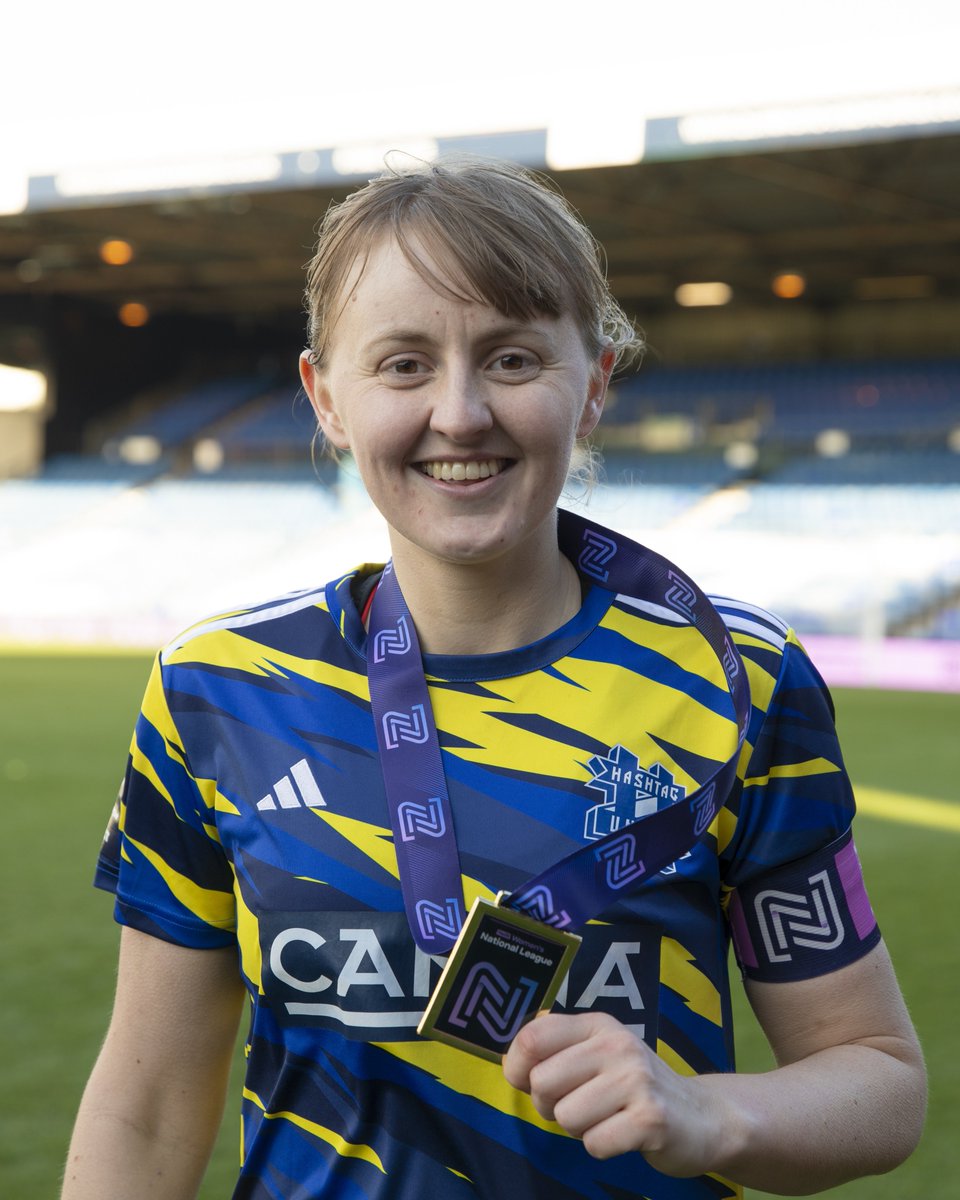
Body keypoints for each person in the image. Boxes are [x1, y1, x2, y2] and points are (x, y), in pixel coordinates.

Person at [62, 157, 925, 1200]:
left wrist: (711, 1111)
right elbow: (146, 1106)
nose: (461, 413)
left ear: (594, 384)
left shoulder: (739, 681)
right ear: (325, 398)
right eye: (403, 365)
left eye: (513, 359)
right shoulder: (219, 691)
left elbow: (880, 1082)